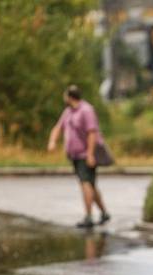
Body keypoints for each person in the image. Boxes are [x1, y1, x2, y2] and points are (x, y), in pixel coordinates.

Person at [47, 85, 110, 228]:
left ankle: (88, 217)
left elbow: (92, 133)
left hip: (85, 154)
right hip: (74, 155)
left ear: (69, 97)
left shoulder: (86, 110)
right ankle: (104, 212)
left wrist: (90, 154)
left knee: (85, 183)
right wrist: (52, 141)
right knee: (91, 185)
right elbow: (58, 127)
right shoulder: (68, 112)